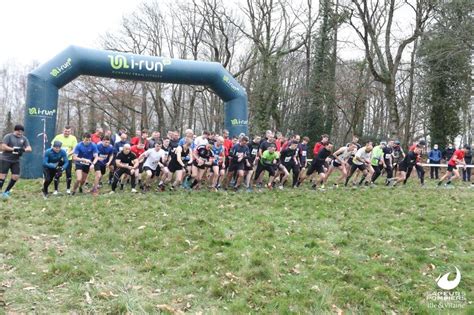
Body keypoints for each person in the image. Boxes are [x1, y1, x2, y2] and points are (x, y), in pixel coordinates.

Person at [0, 124, 32, 198]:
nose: (20, 133)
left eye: (21, 132)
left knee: (15, 176)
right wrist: (14, 149)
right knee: (2, 176)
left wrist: (23, 149)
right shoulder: (8, 136)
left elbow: (29, 148)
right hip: (5, 159)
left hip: (16, 160)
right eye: (18, 131)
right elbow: (3, 147)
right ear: (15, 130)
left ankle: (6, 192)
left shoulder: (24, 138)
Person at [51, 125, 78, 194]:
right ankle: (56, 190)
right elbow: (52, 146)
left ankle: (68, 189)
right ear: (63, 130)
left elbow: (75, 149)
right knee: (57, 173)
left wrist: (69, 154)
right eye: (66, 131)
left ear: (70, 131)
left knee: (68, 173)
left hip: (68, 159)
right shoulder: (58, 137)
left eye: (68, 131)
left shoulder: (73, 138)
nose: (67, 132)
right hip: (58, 159)